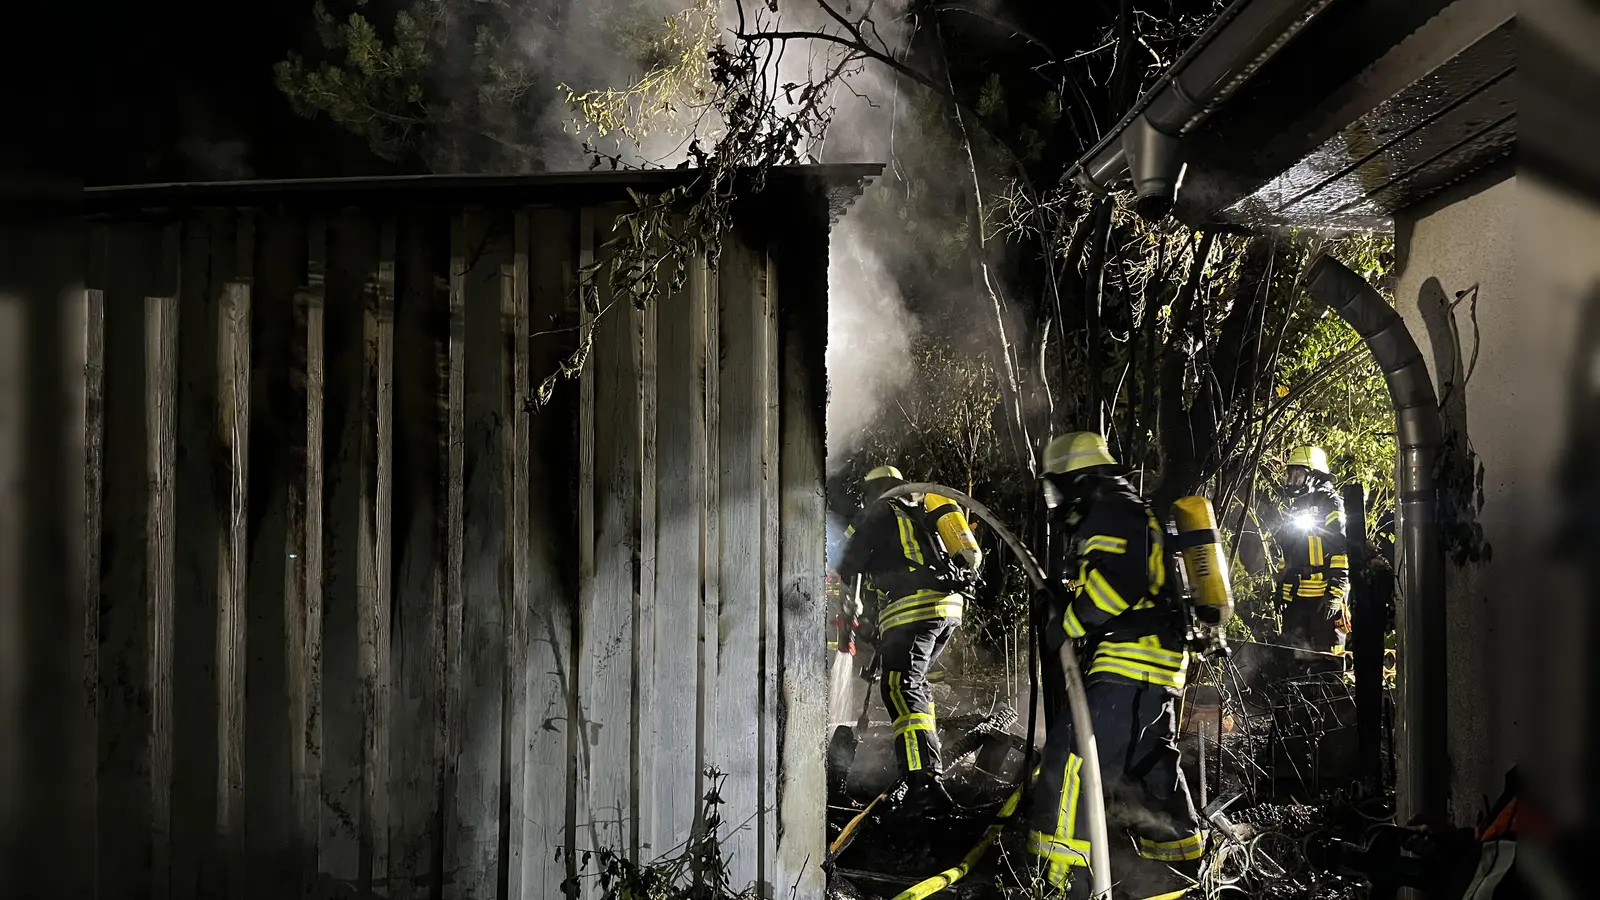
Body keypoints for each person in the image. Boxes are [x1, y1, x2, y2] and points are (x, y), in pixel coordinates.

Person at [1027, 433, 1204, 898]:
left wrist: (1068, 622)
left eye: (1059, 487)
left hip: (1129, 663)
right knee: (1149, 765)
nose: (1058, 500)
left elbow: (1120, 585)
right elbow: (1124, 579)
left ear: (1079, 480)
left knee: (1070, 762)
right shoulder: (1130, 509)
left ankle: (1062, 881)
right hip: (1156, 667)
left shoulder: (1108, 509)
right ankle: (1177, 876)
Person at [835, 465, 978, 813]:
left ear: (872, 489)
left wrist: (851, 603)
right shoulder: (919, 512)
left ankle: (924, 782)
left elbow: (846, 558)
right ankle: (925, 772)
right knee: (914, 686)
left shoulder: (877, 510)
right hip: (947, 607)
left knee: (900, 687)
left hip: (913, 607)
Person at [1274, 446, 1351, 655]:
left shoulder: (1331, 503)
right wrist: (1283, 589)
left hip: (1324, 597)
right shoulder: (1296, 506)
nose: (1292, 480)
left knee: (1325, 659)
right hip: (1299, 596)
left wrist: (1336, 591)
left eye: (1298, 474)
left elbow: (1341, 549)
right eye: (1291, 474)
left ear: (1314, 475)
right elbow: (1288, 553)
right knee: (1294, 657)